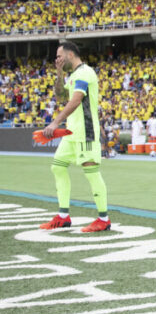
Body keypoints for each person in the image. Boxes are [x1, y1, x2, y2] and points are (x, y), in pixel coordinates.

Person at [39, 41, 111, 232]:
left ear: (70, 55)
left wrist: (55, 123)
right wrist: (59, 73)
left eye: (59, 55)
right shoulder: (72, 76)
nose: (57, 59)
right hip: (72, 133)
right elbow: (62, 96)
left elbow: (76, 100)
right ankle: (63, 216)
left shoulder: (85, 73)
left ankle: (103, 219)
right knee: (57, 167)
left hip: (85, 132)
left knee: (91, 173)